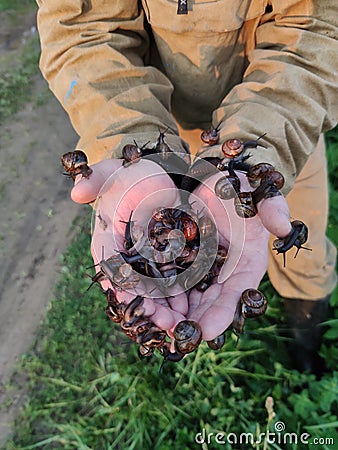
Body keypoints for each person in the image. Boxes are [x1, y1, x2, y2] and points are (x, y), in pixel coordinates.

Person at [36, 0, 337, 375]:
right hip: (166, 131)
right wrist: (134, 144)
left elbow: (318, 27)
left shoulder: (265, 150)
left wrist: (264, 145)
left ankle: (306, 343)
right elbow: (84, 28)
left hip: (276, 134)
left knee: (303, 253)